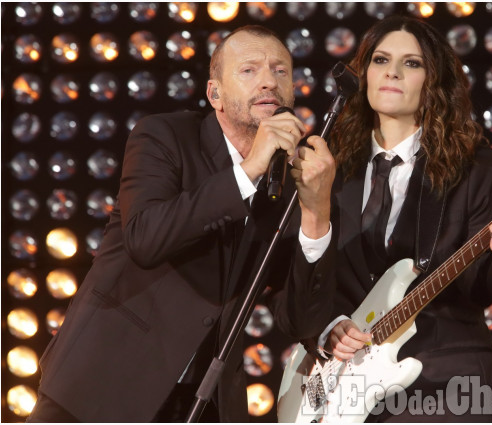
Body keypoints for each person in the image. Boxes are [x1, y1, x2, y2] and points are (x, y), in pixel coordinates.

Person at [27, 25, 336, 422]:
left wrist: (316, 212)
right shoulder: (163, 136)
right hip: (103, 383)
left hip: (203, 402)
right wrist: (249, 170)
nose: (268, 82)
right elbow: (146, 238)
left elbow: (300, 321)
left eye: (280, 71)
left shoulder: (298, 179)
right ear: (215, 95)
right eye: (249, 70)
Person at [313, 16, 492, 422]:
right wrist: (330, 326)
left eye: (411, 63)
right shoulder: (331, 164)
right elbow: (307, 272)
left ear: (434, 83)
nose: (392, 71)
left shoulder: (473, 164)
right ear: (364, 74)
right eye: (380, 60)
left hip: (446, 382)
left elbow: (476, 286)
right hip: (350, 386)